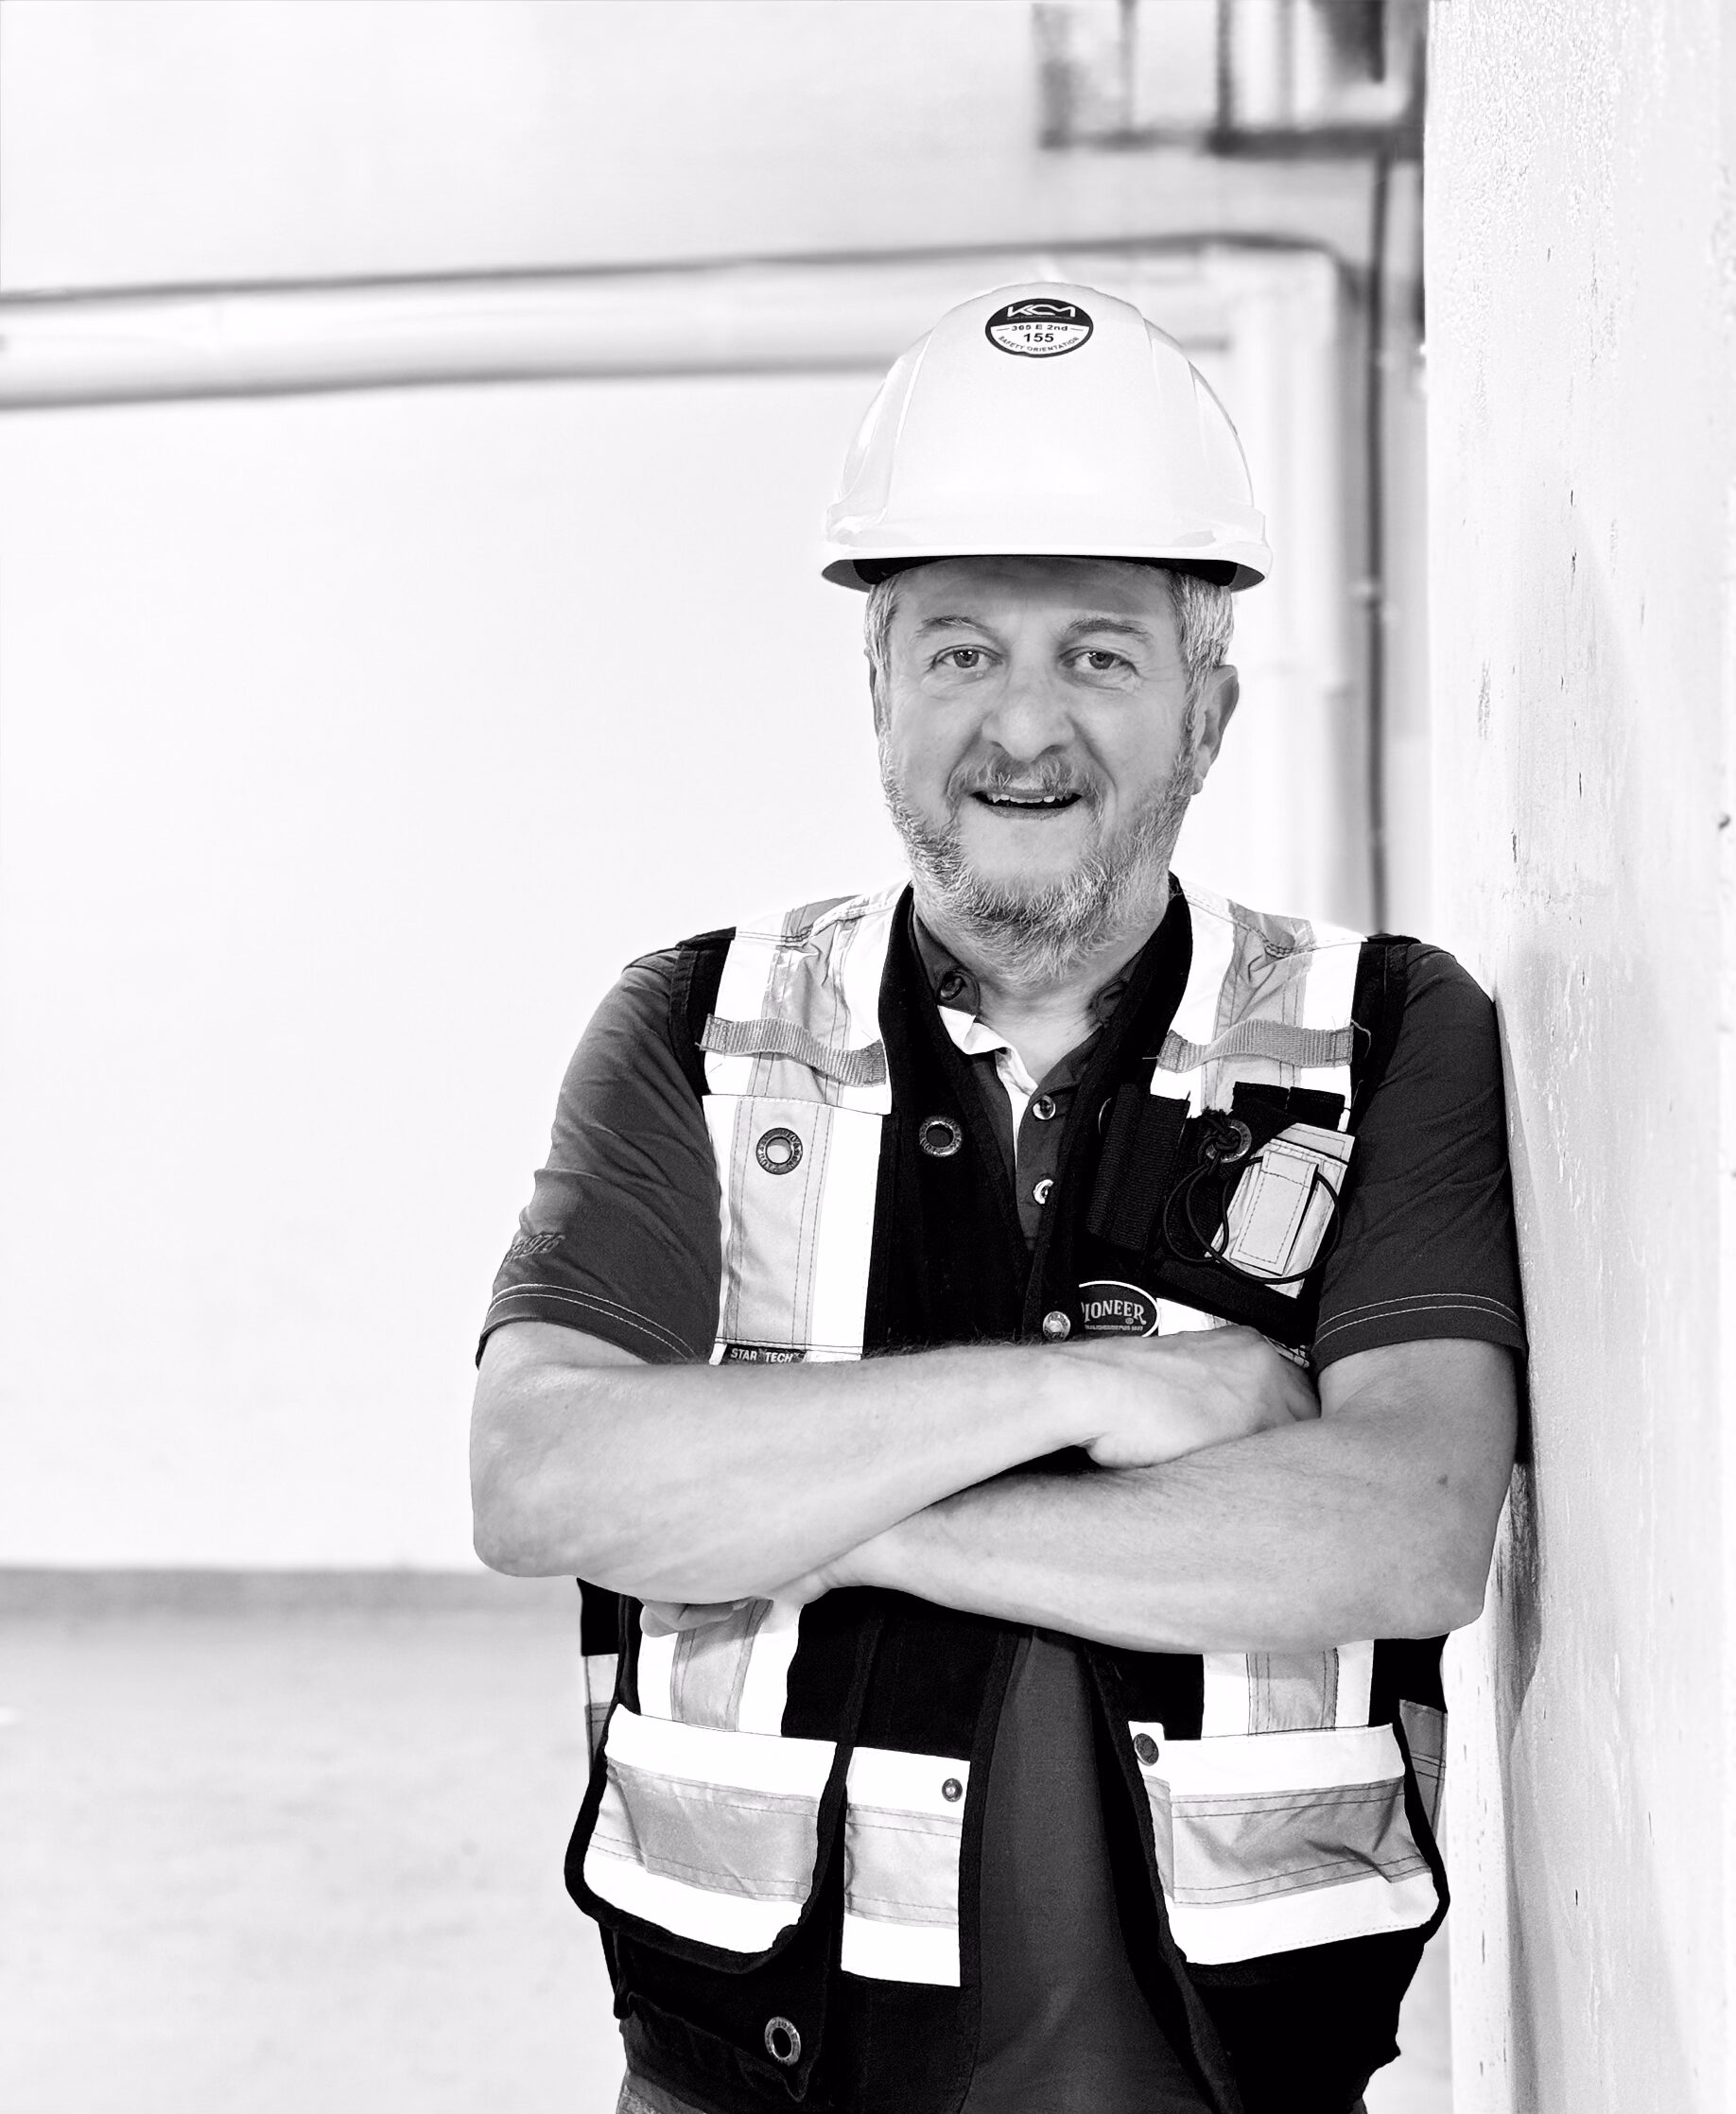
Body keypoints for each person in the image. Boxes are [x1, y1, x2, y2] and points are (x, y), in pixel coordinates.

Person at [469, 283, 1524, 2114]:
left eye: (1099, 656)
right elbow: (543, 1479)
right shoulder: (697, 1026)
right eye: (959, 651)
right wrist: (1093, 1391)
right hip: (749, 2069)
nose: (1021, 729)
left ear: (1208, 710)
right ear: (877, 691)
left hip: (1228, 2072)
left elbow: (1408, 1523)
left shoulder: (1387, 1034)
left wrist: (822, 1513)